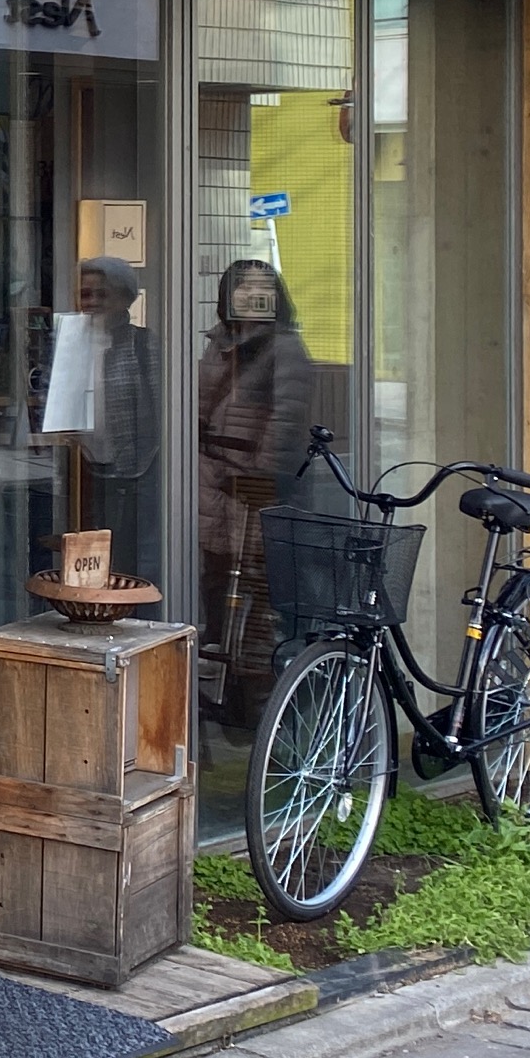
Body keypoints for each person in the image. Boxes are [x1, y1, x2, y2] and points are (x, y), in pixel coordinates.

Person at [198, 257, 316, 718]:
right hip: (214, 482)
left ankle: (261, 704)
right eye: (242, 287)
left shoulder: (284, 347)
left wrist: (258, 478)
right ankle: (228, 695)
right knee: (217, 588)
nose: (250, 295)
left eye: (260, 287)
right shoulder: (219, 343)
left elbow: (286, 422)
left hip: (256, 489)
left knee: (256, 596)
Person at [42, 255, 159, 581]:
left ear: (124, 298)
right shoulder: (68, 344)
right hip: (82, 472)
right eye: (85, 294)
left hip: (135, 474)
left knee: (128, 559)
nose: (91, 302)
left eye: (101, 294)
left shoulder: (143, 344)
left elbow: (162, 411)